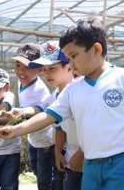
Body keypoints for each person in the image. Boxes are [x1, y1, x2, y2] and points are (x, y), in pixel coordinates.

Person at [0, 18, 124, 190]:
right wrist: (16, 130)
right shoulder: (73, 90)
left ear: (96, 49)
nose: (71, 64)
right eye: (68, 58)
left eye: (74, 56)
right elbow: (48, 115)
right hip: (91, 165)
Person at [12, 43, 61, 190]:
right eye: (18, 65)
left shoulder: (39, 89)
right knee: (38, 172)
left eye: (27, 67)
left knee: (45, 180)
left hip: (46, 143)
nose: (21, 71)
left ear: (40, 69)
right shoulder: (22, 83)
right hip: (34, 140)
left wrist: (20, 113)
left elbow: (39, 110)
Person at [35, 41, 83, 190]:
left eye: (52, 68)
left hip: (89, 157)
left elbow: (95, 128)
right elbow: (59, 127)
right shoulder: (55, 95)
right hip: (70, 157)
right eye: (44, 69)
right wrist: (57, 152)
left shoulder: (80, 93)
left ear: (69, 66)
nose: (46, 73)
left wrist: (82, 153)